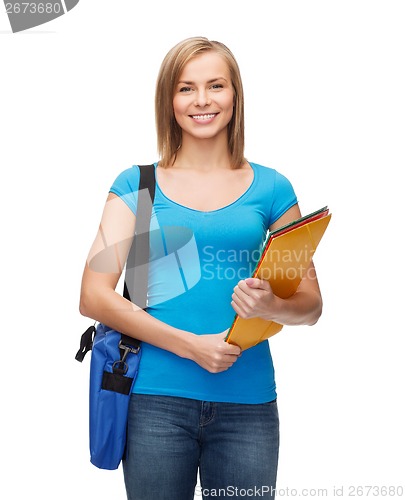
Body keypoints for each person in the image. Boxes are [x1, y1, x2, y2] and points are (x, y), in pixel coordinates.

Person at [79, 36, 323, 500]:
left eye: (216, 85)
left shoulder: (273, 189)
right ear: (169, 100)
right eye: (186, 88)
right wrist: (192, 347)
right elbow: (93, 295)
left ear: (235, 95)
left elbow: (310, 306)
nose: (203, 100)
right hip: (154, 402)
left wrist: (273, 304)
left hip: (248, 405)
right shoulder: (136, 184)